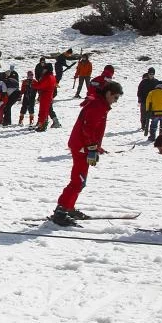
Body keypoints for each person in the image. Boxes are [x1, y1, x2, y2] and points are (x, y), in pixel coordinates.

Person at [51, 82, 123, 227]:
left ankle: (68, 208)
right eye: (115, 97)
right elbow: (88, 129)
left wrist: (96, 148)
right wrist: (91, 148)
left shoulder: (99, 104)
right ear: (109, 93)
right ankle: (61, 211)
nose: (116, 101)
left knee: (80, 180)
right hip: (82, 147)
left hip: (83, 146)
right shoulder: (98, 105)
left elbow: (92, 129)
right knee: (78, 180)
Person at [32, 63, 59, 132]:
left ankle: (42, 126)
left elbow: (40, 85)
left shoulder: (47, 77)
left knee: (43, 111)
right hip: (48, 95)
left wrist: (33, 83)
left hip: (45, 95)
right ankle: (43, 124)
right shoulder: (52, 76)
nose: (43, 70)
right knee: (46, 111)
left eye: (44, 69)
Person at [138, 67, 162, 136]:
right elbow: (139, 90)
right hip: (144, 100)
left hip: (153, 101)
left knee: (152, 115)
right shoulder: (143, 82)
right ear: (148, 74)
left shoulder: (156, 81)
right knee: (143, 113)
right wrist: (139, 99)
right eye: (150, 74)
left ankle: (151, 127)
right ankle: (143, 126)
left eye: (152, 74)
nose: (151, 75)